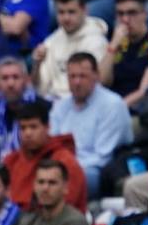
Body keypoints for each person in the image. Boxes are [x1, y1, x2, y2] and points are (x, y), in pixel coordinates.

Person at [48, 53, 132, 194]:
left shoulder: (112, 104)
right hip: (64, 165)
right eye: (72, 76)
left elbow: (103, 156)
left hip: (98, 170)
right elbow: (52, 144)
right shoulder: (60, 106)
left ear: (96, 76)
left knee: (72, 178)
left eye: (82, 76)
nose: (77, 82)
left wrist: (67, 168)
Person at [3, 100, 87, 214]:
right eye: (23, 128)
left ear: (47, 127)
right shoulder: (10, 161)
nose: (28, 133)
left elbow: (64, 207)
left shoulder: (66, 162)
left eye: (33, 127)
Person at [33, 0, 111, 102]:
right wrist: (37, 64)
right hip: (50, 102)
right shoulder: (52, 40)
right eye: (61, 12)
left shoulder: (97, 41)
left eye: (71, 12)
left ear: (84, 10)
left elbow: (97, 86)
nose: (66, 18)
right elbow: (41, 87)